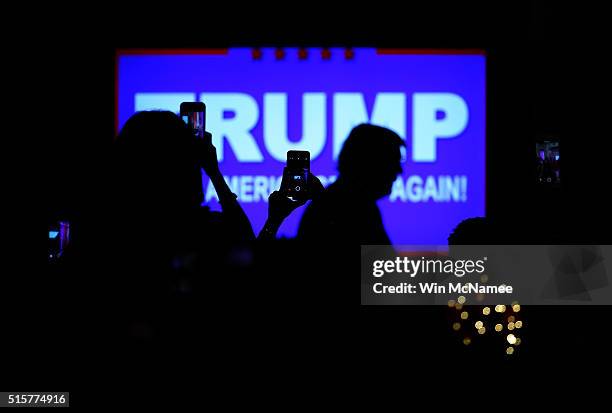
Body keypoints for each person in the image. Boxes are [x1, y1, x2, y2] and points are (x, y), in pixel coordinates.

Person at [298, 124, 405, 245]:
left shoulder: (360, 207)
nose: (399, 170)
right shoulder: (352, 211)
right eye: (393, 161)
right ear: (370, 162)